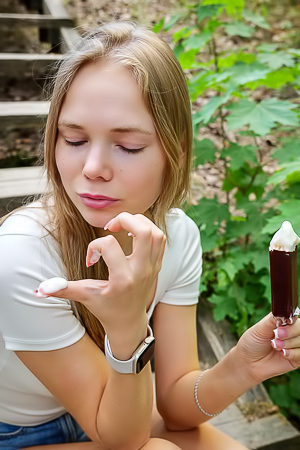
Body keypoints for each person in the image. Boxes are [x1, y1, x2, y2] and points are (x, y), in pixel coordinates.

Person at [0, 21, 299, 450]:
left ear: (173, 150)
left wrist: (242, 366)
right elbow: (125, 440)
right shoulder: (22, 252)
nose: (93, 168)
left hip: (114, 405)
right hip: (17, 434)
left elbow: (177, 404)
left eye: (128, 146)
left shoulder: (177, 235)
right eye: (74, 139)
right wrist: (126, 329)